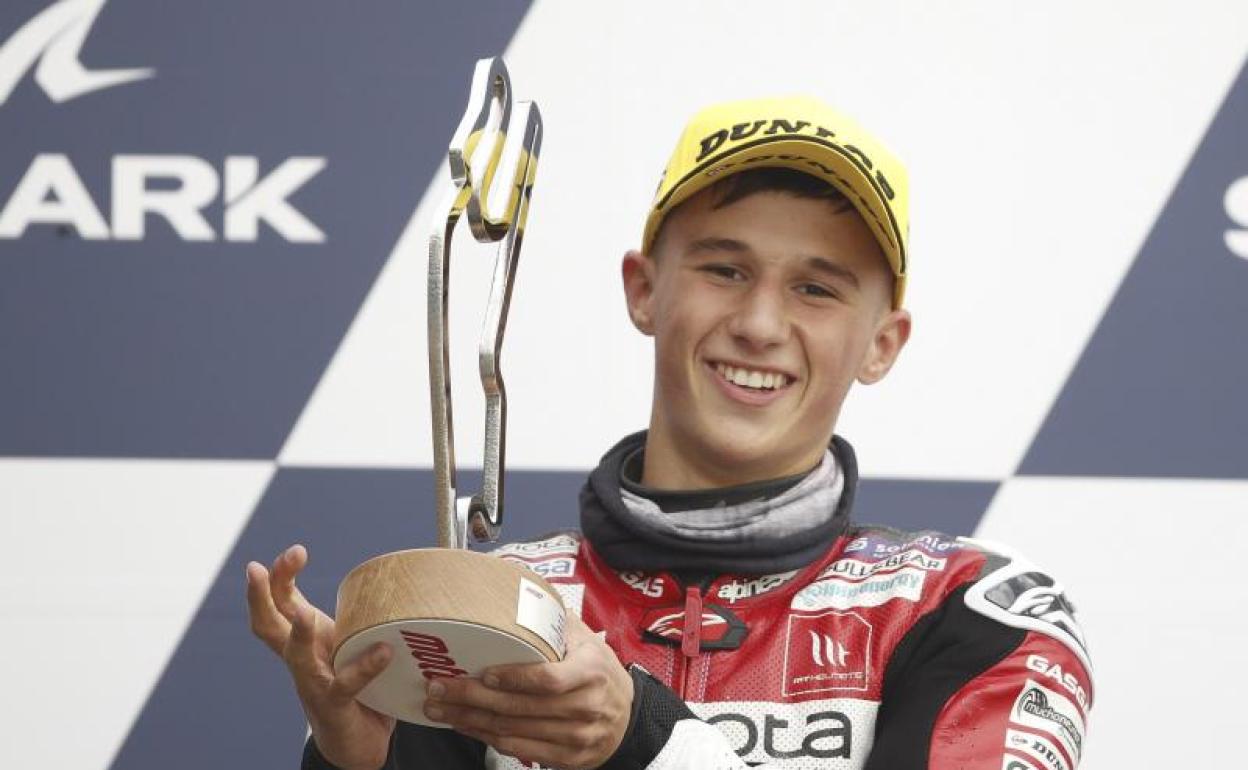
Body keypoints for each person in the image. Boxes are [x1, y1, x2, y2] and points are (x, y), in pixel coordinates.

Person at [246, 96, 1093, 770]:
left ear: (882, 343)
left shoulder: (970, 610)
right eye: (724, 269)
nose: (760, 324)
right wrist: (354, 765)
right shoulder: (493, 604)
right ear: (644, 289)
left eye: (817, 290)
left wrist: (639, 739)